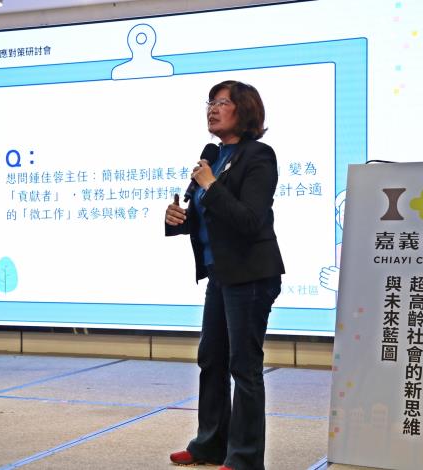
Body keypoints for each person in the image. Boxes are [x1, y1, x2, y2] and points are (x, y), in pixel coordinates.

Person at [165, 80, 284, 470]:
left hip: (251, 274)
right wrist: (179, 219)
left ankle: (245, 458)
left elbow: (249, 220)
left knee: (243, 366)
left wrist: (211, 185)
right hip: (221, 274)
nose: (212, 109)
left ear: (244, 109)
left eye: (222, 102)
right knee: (211, 359)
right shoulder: (213, 157)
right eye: (210, 102)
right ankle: (210, 445)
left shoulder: (258, 156)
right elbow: (209, 215)